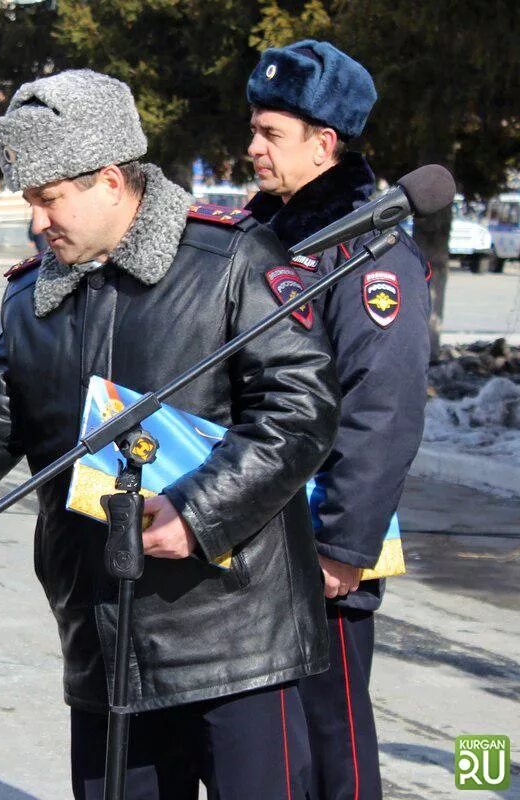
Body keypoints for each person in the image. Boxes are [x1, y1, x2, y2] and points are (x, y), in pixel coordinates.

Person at [0, 69, 341, 799]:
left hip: (236, 635)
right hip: (105, 634)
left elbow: (299, 410)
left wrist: (199, 512)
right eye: (29, 202)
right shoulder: (34, 294)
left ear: (111, 180)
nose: (36, 223)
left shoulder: (232, 264)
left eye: (49, 199)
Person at [245, 40, 431, 800]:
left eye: (271, 135)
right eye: (253, 130)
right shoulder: (257, 236)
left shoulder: (370, 253)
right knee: (267, 747)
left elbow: (381, 407)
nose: (253, 147)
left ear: (324, 144)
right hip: (247, 532)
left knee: (332, 743)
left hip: (322, 545)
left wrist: (344, 547)